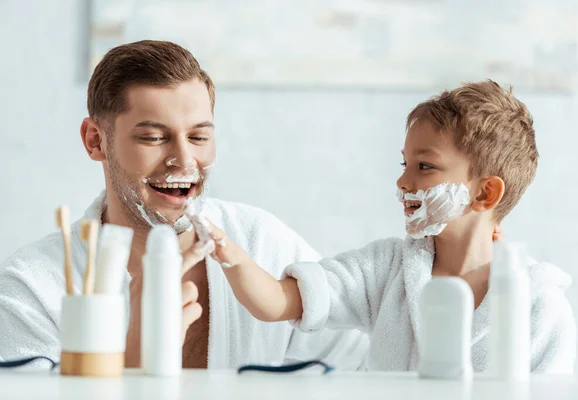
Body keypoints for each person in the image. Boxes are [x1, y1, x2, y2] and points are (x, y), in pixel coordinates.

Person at [0, 40, 368, 369]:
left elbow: (362, 367)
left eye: (198, 136)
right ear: (96, 141)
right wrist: (132, 359)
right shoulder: (33, 287)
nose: (184, 159)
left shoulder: (264, 245)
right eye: (154, 137)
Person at [197, 80, 576, 373]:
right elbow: (278, 302)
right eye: (404, 165)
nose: (403, 182)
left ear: (486, 193)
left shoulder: (540, 308)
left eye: (424, 167)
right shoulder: (386, 269)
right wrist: (228, 252)